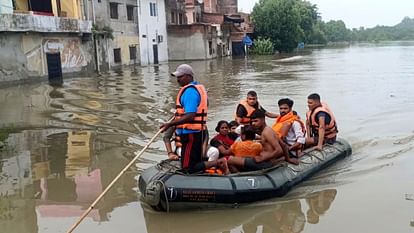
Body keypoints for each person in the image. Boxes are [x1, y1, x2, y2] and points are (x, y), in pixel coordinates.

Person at [160, 64, 229, 174]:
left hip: (190, 134)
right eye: (177, 77)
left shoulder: (190, 92)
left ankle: (219, 162)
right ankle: (212, 167)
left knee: (188, 168)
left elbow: (190, 115)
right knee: (194, 162)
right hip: (196, 133)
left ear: (188, 76)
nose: (178, 80)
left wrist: (170, 124)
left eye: (180, 77)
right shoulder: (197, 89)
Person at [227, 109, 299, 172]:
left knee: (230, 160)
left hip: (264, 163)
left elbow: (279, 150)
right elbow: (283, 145)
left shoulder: (266, 132)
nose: (253, 124)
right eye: (252, 122)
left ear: (263, 119)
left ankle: (240, 177)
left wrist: (263, 158)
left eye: (256, 121)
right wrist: (288, 159)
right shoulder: (269, 130)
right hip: (263, 161)